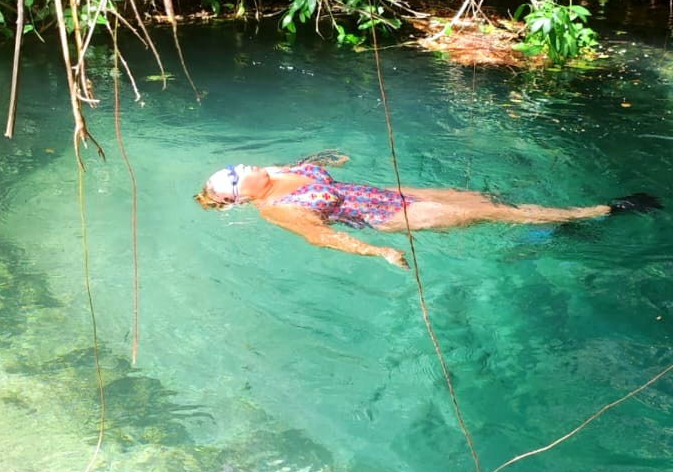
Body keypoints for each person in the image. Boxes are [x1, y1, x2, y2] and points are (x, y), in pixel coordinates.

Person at [195, 155, 661, 270]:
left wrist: (333, 160)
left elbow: (321, 164)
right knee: (501, 216)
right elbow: (321, 236)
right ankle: (600, 212)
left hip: (393, 191)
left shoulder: (277, 170)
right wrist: (377, 252)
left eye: (231, 167)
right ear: (240, 198)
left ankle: (554, 228)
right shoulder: (275, 209)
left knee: (491, 204)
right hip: (389, 219)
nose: (239, 168)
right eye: (233, 178)